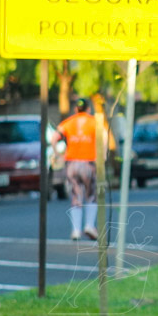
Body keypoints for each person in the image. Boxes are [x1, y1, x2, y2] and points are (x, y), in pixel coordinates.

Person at [53, 98, 99, 241]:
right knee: (91, 194)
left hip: (72, 163)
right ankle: (90, 225)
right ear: (88, 109)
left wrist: (58, 154)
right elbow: (103, 139)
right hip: (88, 162)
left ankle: (76, 230)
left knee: (75, 195)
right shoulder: (94, 122)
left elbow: (54, 138)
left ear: (76, 109)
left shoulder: (69, 122)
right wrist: (102, 158)